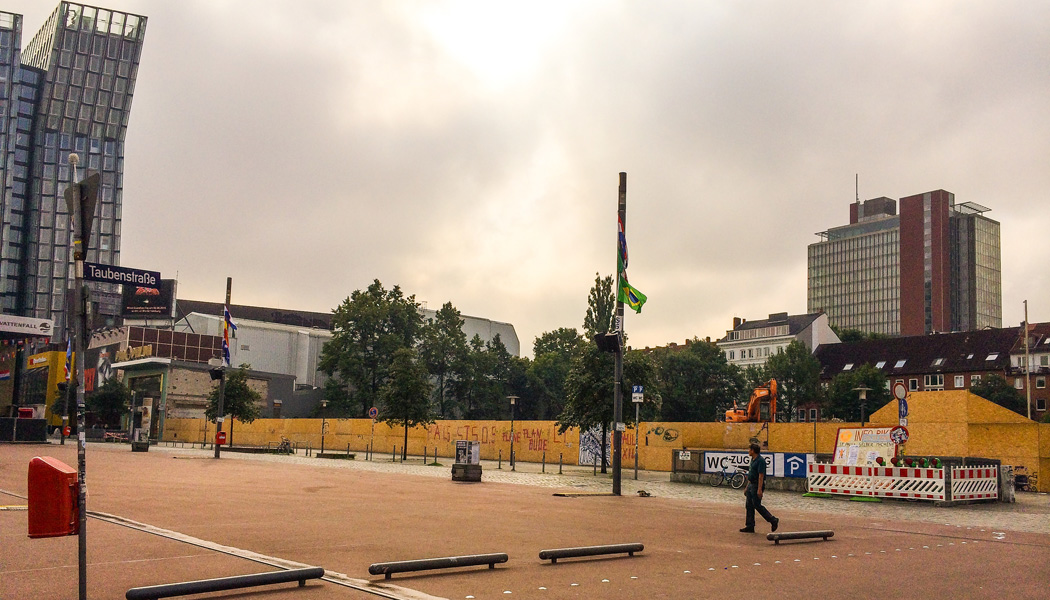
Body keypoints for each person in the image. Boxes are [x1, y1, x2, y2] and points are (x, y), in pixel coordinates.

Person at [740, 442, 779, 533]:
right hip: (751, 484)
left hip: (757, 485)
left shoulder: (760, 461)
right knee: (749, 505)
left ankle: (773, 520)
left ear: (753, 451)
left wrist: (759, 489)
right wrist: (747, 487)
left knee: (757, 505)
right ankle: (750, 525)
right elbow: (751, 474)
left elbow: (761, 476)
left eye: (750, 449)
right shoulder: (753, 460)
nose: (748, 451)